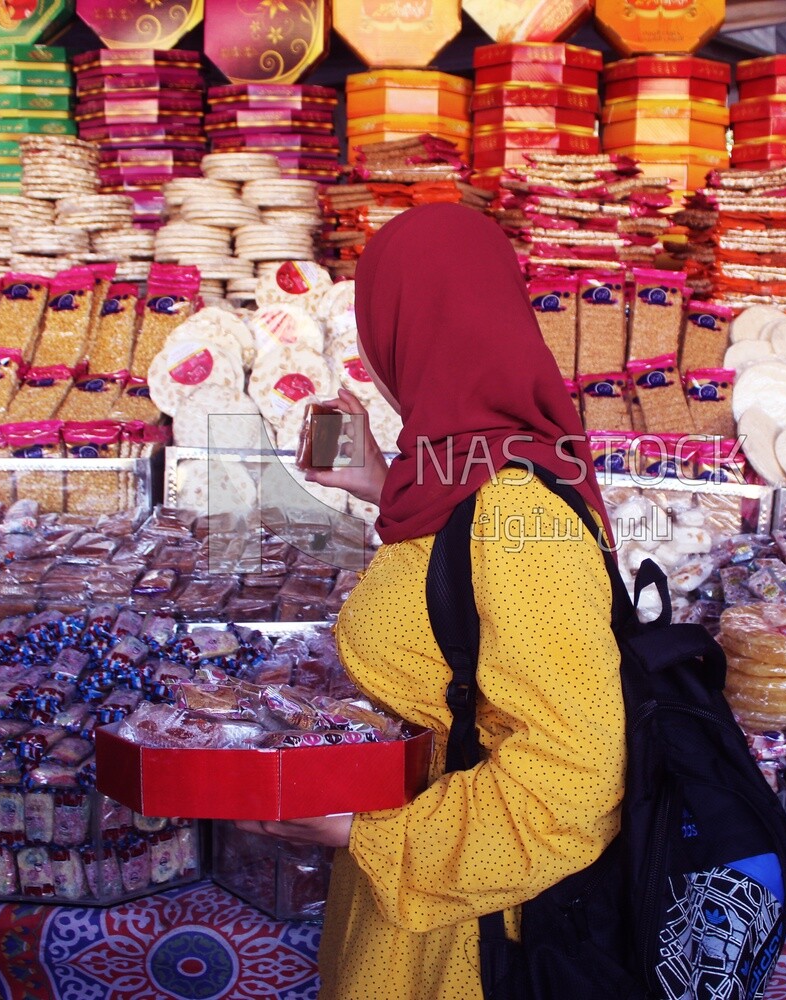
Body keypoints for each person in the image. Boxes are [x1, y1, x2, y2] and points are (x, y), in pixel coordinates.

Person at [235, 202, 627, 999]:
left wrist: (360, 833)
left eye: (381, 326)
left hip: (473, 933)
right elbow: (464, 609)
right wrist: (384, 485)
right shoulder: (472, 478)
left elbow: (579, 780)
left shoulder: (518, 510)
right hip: (423, 895)